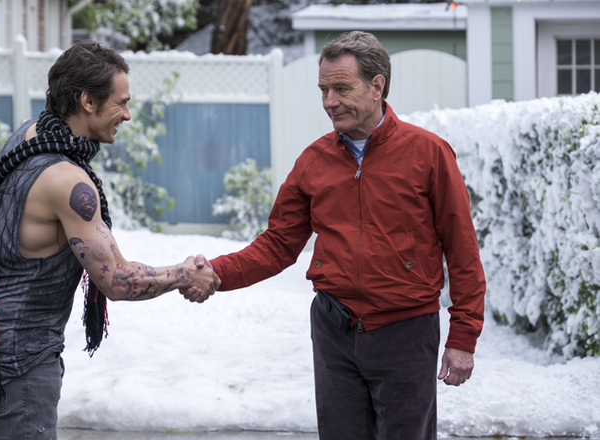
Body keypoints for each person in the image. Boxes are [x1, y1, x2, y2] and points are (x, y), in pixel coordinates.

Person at [207, 31, 486, 439]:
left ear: (377, 86)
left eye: (341, 88)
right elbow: (277, 245)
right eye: (323, 90)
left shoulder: (428, 153)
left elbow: (462, 250)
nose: (329, 101)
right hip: (333, 332)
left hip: (406, 334)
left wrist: (463, 337)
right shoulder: (313, 160)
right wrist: (215, 273)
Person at [0, 40, 219, 439]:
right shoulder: (67, 181)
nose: (127, 115)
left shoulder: (30, 135)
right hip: (23, 367)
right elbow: (119, 280)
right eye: (121, 103)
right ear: (88, 101)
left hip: (1, 350)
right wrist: (185, 273)